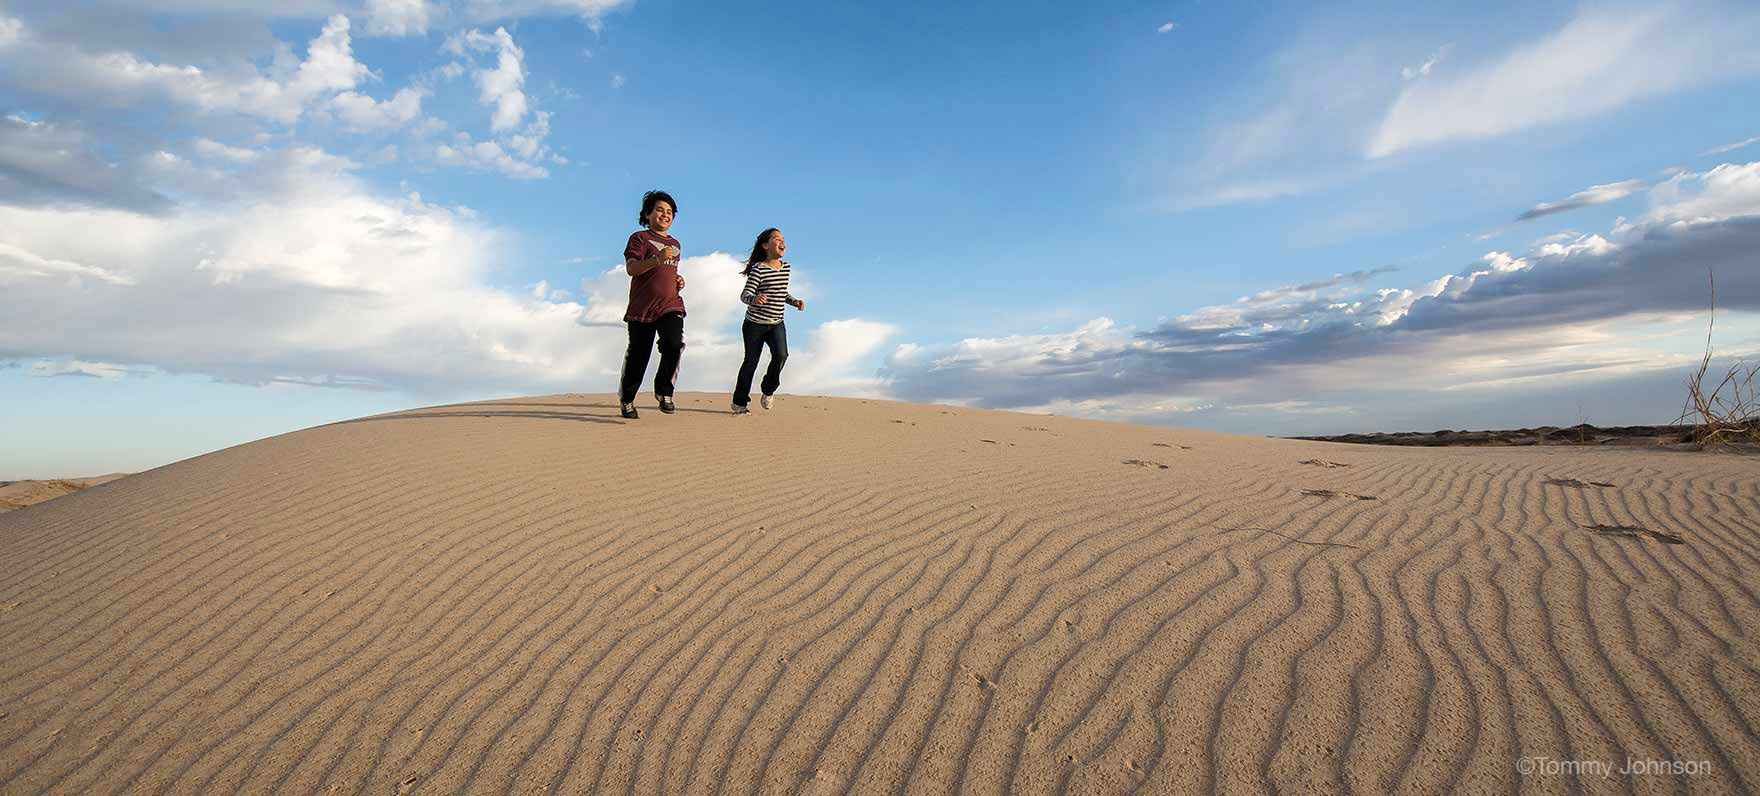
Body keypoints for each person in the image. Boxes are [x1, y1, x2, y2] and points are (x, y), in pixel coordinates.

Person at [618, 190, 687, 419]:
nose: (665, 215)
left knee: (674, 343)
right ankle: (627, 399)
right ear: (648, 214)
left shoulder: (675, 244)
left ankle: (664, 392)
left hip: (670, 304)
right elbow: (632, 269)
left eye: (669, 212)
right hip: (642, 308)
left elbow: (667, 271)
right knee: (639, 356)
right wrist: (656, 259)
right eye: (659, 210)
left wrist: (677, 280)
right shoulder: (639, 238)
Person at [731, 227, 804, 414]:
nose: (782, 242)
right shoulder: (759, 269)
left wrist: (794, 301)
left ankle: (768, 390)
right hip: (754, 324)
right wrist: (754, 299)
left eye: (783, 239)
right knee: (751, 362)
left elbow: (780, 292)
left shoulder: (785, 267)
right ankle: (739, 402)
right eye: (776, 239)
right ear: (765, 245)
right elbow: (745, 295)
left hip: (776, 323)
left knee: (781, 355)